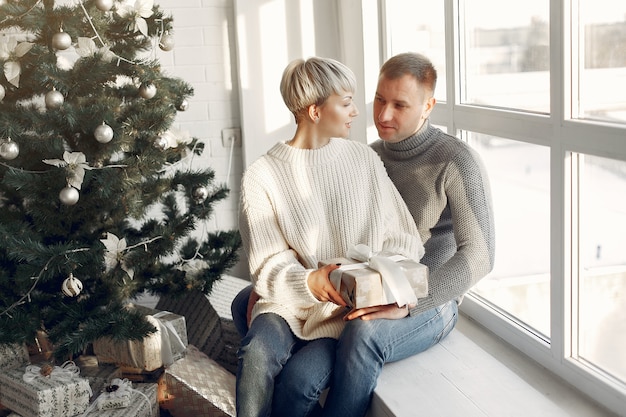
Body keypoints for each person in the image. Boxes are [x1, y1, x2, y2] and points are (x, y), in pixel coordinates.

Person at [235, 56, 425, 417]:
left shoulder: (362, 159)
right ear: (315, 111)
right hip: (287, 302)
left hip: (344, 312)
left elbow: (403, 237)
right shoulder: (261, 176)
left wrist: (382, 287)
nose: (356, 111)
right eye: (346, 102)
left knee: (299, 384)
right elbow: (268, 263)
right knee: (256, 355)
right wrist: (309, 280)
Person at [319, 52, 496, 417]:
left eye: (400, 105)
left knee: (363, 335)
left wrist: (408, 303)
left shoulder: (457, 160)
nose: (383, 115)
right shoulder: (368, 156)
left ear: (428, 106)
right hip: (371, 288)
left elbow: (480, 255)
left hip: (434, 302)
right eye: (380, 100)